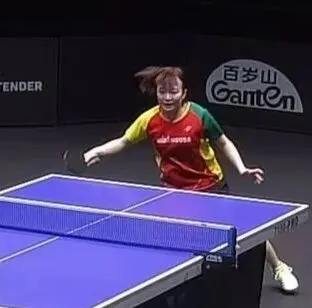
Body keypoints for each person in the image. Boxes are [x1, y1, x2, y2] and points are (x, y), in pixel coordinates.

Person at [82, 65, 299, 294]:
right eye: (162, 92)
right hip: (174, 191)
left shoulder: (199, 115)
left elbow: (223, 142)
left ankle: (279, 267)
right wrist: (95, 152)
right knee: (175, 239)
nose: (167, 97)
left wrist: (241, 168)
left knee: (241, 231)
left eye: (173, 91)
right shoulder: (149, 120)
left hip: (210, 186)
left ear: (184, 93)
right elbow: (124, 141)